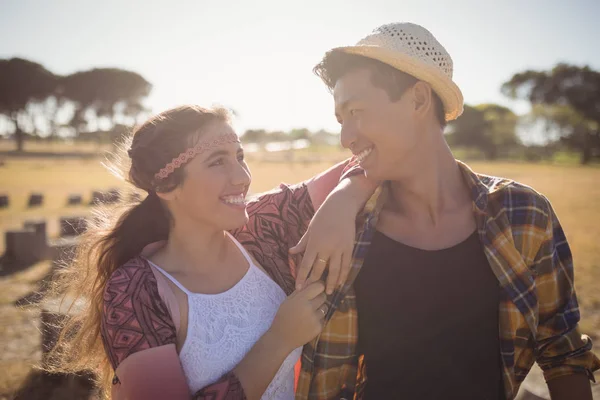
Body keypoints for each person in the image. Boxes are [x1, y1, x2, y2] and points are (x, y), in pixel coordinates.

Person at [292, 22, 600, 400]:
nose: (346, 138)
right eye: (341, 119)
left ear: (419, 99)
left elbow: (563, 353)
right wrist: (343, 196)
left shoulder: (524, 214)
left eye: (356, 111)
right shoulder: (344, 231)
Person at [45, 105, 372, 400]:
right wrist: (279, 340)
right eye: (217, 162)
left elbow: (370, 158)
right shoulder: (137, 291)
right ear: (167, 186)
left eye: (240, 157)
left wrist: (345, 198)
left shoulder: (260, 227)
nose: (242, 177)